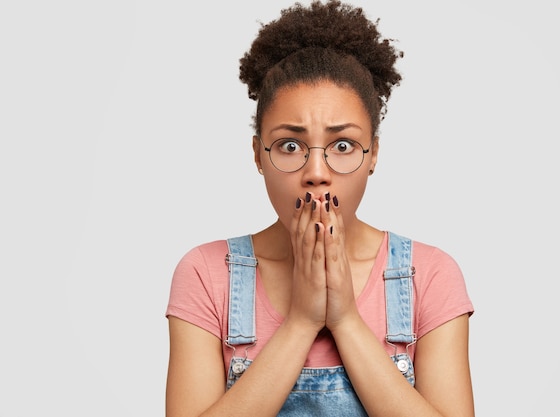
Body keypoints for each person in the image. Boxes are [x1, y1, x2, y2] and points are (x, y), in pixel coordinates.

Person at [165, 1, 475, 416]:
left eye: (342, 145)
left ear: (373, 154)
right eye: (290, 145)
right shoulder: (207, 274)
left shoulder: (429, 276)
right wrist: (301, 322)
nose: (316, 173)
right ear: (258, 155)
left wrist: (345, 319)